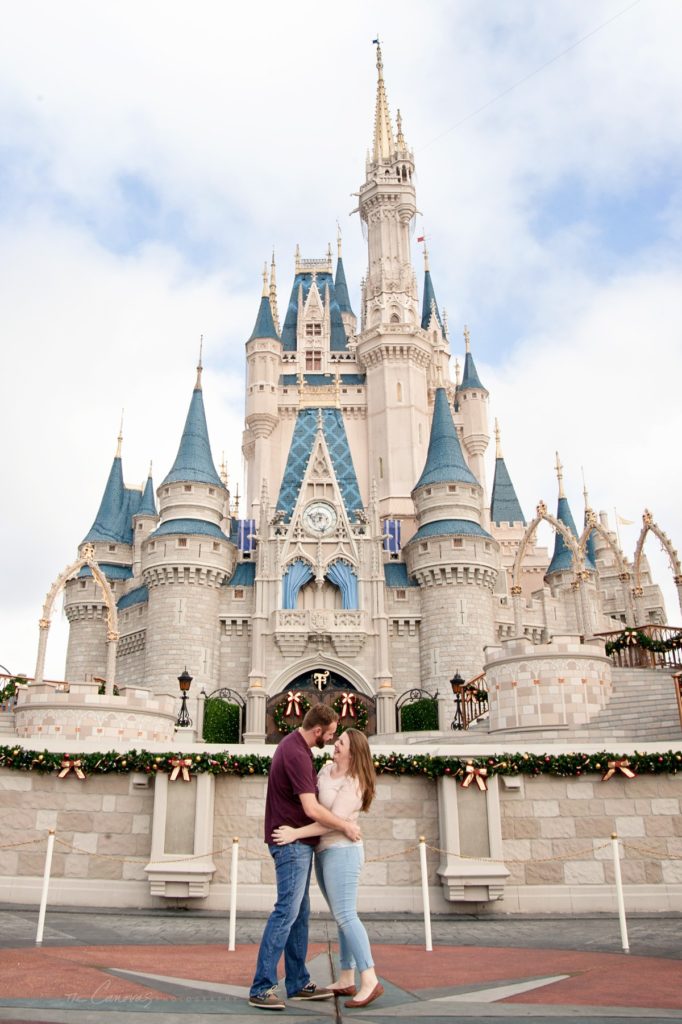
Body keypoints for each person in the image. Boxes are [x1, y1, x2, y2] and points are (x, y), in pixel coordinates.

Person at [248, 703, 362, 1011]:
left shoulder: (296, 748)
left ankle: (298, 982)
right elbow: (311, 809)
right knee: (286, 912)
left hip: (297, 843)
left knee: (298, 915)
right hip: (291, 845)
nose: (333, 739)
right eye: (332, 734)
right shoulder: (297, 754)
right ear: (318, 731)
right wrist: (346, 826)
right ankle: (262, 986)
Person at [272, 727, 383, 1010]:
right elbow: (312, 806)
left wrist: (295, 833)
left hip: (343, 852)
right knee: (340, 915)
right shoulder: (324, 770)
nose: (335, 744)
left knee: (346, 915)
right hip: (323, 852)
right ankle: (346, 976)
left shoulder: (354, 782)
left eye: (341, 742)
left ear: (353, 751)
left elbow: (330, 820)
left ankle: (369, 978)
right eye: (337, 740)